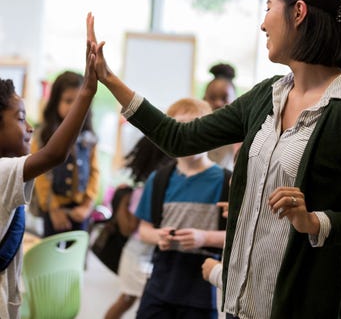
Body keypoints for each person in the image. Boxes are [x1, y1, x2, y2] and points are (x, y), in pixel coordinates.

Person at [87, 0, 341, 316]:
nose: (263, 23)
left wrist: (315, 222)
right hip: (236, 306)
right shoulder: (267, 96)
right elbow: (180, 138)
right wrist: (109, 78)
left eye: (268, 8)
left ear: (298, 12)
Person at [0, 39, 98, 319]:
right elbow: (54, 155)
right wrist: (88, 90)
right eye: (20, 118)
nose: (29, 127)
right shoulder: (3, 171)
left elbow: (92, 173)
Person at [131, 97, 228, 319]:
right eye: (178, 128)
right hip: (160, 286)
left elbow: (241, 237)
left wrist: (204, 238)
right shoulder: (159, 180)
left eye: (193, 127)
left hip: (204, 291)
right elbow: (144, 230)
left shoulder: (227, 182)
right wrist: (159, 236)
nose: (186, 136)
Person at [104, 136, 174, 319]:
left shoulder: (143, 189)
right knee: (135, 301)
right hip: (137, 255)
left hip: (144, 254)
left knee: (128, 300)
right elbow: (131, 227)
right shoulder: (144, 192)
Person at [31, 71, 100, 237]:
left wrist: (87, 204)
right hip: (52, 209)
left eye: (79, 101)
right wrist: (53, 208)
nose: (74, 106)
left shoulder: (89, 137)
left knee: (76, 255)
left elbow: (95, 171)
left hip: (80, 210)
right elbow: (40, 175)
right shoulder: (43, 136)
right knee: (51, 254)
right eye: (69, 101)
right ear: (55, 102)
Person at [203, 62, 239, 170]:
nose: (218, 103)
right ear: (204, 99)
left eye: (224, 98)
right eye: (212, 98)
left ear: (236, 101)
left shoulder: (241, 133)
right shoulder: (196, 128)